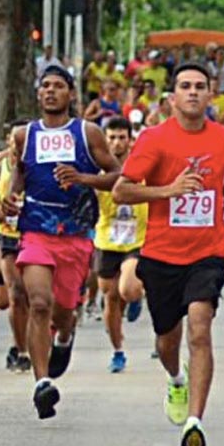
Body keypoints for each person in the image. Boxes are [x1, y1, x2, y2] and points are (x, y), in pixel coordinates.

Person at [112, 62, 224, 446]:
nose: (193, 92)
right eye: (185, 86)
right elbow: (122, 190)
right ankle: (176, 379)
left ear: (211, 95)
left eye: (200, 86)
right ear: (172, 97)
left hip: (207, 253)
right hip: (161, 255)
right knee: (167, 340)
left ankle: (195, 422)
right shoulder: (154, 140)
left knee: (200, 327)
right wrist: (169, 190)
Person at [1, 66, 121, 419]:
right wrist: (10, 197)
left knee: (63, 311)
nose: (50, 92)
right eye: (45, 86)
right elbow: (20, 174)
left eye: (58, 86)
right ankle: (42, 384)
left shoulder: (88, 133)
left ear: (71, 93)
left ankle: (64, 337)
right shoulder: (25, 135)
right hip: (36, 229)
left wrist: (83, 178)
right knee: (38, 302)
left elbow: (117, 175)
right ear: (38, 94)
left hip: (76, 233)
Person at [93, 116, 147, 372]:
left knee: (127, 288)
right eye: (111, 137)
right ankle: (118, 350)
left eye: (121, 137)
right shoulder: (97, 170)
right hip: (106, 241)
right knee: (111, 298)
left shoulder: (141, 167)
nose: (116, 143)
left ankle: (137, 295)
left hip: (138, 239)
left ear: (129, 140)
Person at [0, 124, 31, 372]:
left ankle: (29, 343)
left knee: (34, 296)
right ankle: (20, 347)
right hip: (7, 238)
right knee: (14, 295)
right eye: (15, 139)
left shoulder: (38, 168)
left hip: (34, 236)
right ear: (9, 142)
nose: (19, 144)